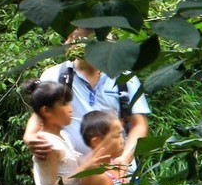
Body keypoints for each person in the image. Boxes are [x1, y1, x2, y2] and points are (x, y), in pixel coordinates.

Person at [23, 28, 151, 174]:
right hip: (74, 174)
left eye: (78, 39)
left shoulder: (125, 78)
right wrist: (30, 136)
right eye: (72, 38)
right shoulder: (56, 75)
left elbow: (139, 124)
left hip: (120, 173)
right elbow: (40, 114)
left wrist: (125, 158)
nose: (68, 43)